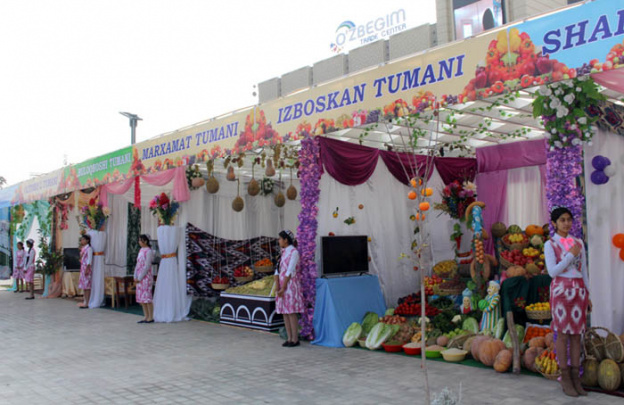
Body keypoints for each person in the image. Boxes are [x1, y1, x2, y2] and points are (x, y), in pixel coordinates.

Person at [544, 206, 591, 397]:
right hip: (561, 291)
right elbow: (552, 271)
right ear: (554, 223)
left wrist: (588, 294)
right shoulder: (550, 244)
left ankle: (575, 377)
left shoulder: (578, 242)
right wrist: (570, 254)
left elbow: (584, 271)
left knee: (577, 335)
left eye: (569, 219)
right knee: (563, 335)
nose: (566, 223)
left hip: (579, 291)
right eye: (562, 220)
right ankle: (565, 377)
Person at [274, 230, 304, 347]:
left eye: (280, 239)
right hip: (282, 284)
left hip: (290, 285)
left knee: (291, 312)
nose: (279, 241)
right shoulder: (283, 252)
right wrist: (277, 286)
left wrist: (283, 287)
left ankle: (295, 339)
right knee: (285, 312)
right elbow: (278, 269)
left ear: (286, 240)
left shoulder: (294, 252)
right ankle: (289, 337)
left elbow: (290, 271)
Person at [134, 234, 154, 324]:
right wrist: (135, 276)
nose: (139, 242)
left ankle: (150, 316)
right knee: (141, 298)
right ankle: (146, 315)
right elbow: (138, 264)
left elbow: (147, 266)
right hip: (139, 276)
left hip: (146, 277)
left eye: (140, 240)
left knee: (147, 297)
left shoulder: (149, 251)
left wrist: (140, 277)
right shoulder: (141, 250)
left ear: (145, 241)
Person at [78, 234, 93, 308]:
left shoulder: (89, 249)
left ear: (87, 240)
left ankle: (87, 302)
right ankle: (85, 301)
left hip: (86, 267)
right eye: (81, 239)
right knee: (84, 285)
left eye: (83, 239)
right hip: (83, 267)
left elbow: (89, 259)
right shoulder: (83, 248)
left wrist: (87, 268)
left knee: (87, 285)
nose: (82, 241)